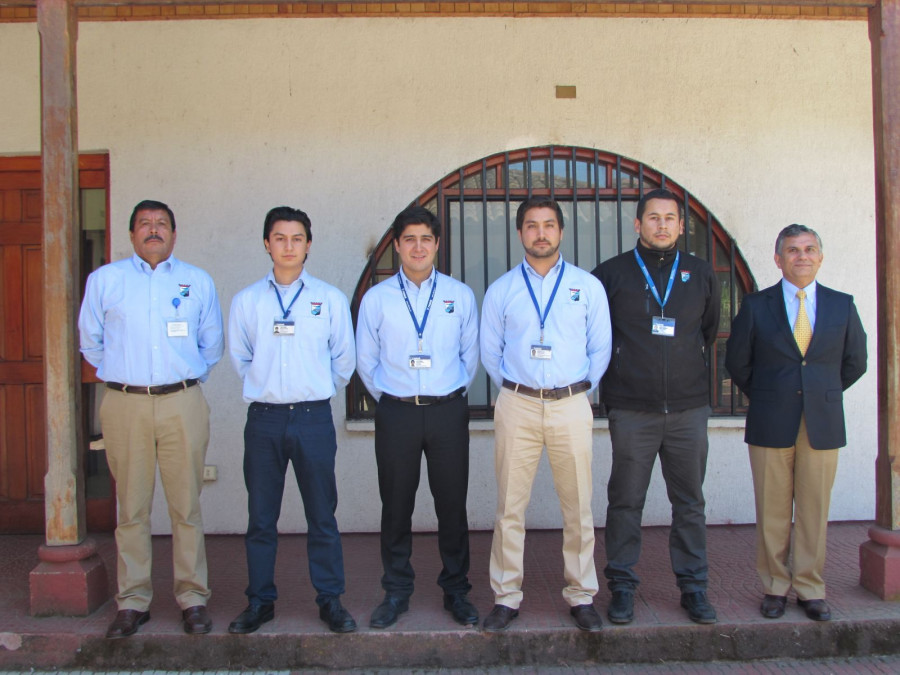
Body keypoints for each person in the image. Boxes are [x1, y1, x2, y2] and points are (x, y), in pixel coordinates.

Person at [79, 200, 224, 638]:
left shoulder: (195, 280)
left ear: (175, 235)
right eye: (144, 224)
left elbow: (211, 344)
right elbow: (91, 342)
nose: (153, 230)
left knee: (186, 506)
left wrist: (176, 377)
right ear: (131, 234)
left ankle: (192, 598)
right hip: (125, 404)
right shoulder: (106, 280)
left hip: (182, 401)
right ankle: (133, 601)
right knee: (132, 508)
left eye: (162, 224)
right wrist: (128, 377)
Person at [480, 197, 612, 632]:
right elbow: (490, 352)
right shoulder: (502, 290)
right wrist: (519, 389)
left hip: (571, 404)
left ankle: (581, 595)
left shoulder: (586, 286)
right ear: (519, 233)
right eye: (532, 226)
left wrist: (576, 390)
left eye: (549, 225)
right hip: (517, 403)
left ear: (560, 232)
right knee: (509, 507)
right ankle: (506, 595)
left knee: (578, 507)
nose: (541, 233)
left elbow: (600, 348)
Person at [725, 224, 866, 622]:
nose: (801, 256)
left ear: (820, 256)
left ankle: (809, 587)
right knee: (771, 510)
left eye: (809, 249)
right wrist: (771, 394)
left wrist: (821, 391)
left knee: (813, 509)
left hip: (821, 423)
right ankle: (774, 586)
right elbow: (738, 362)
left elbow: (856, 361)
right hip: (771, 419)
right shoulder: (756, 305)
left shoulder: (842, 305)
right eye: (792, 250)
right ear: (778, 259)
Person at [592, 187, 721, 625]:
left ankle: (694, 588)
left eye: (670, 218)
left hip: (687, 409)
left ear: (681, 226)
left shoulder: (701, 273)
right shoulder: (610, 275)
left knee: (690, 503)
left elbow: (706, 331)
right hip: (632, 409)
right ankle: (623, 587)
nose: (662, 225)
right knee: (625, 501)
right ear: (637, 224)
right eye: (653, 218)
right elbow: (598, 338)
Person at [227, 206, 357, 634]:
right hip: (263, 420)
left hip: (312, 418)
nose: (288, 246)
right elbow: (242, 358)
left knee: (323, 514)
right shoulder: (248, 301)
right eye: (279, 238)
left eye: (296, 238)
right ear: (267, 244)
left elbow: (343, 360)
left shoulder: (329, 299)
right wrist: (271, 390)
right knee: (261, 517)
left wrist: (312, 390)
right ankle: (260, 601)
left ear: (308, 245)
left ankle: (330, 600)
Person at [356, 205, 480, 629]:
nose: (418, 247)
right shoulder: (377, 299)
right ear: (396, 245)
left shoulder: (458, 295)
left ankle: (457, 590)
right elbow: (365, 360)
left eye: (426, 239)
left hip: (447, 412)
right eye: (409, 239)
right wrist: (393, 397)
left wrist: (447, 394)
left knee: (452, 505)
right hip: (397, 414)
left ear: (437, 245)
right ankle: (396, 591)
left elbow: (471, 357)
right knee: (396, 506)